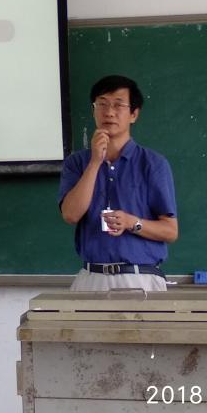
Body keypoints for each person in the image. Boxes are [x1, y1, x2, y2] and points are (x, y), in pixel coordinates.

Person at [58, 74, 178, 291]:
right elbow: (70, 215)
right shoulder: (76, 163)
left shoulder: (153, 164)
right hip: (91, 277)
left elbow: (170, 231)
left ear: (134, 114)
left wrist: (132, 222)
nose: (109, 112)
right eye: (102, 104)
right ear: (93, 111)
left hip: (140, 278)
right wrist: (95, 162)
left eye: (118, 105)